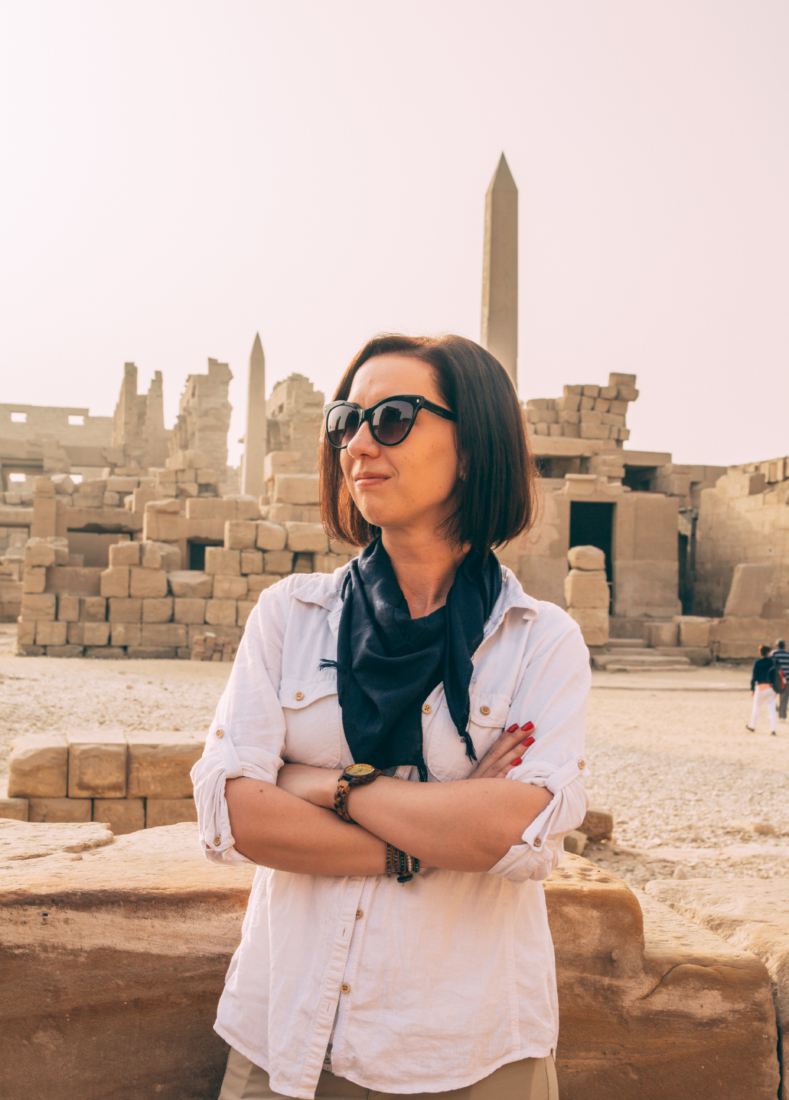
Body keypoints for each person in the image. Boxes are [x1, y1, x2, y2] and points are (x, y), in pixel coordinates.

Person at [192, 334, 591, 1100]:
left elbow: (509, 832)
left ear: (472, 447)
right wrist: (424, 843)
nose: (358, 443)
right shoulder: (290, 617)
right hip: (289, 1030)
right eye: (347, 420)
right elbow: (236, 813)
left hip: (464, 1046)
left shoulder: (538, 640)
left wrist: (324, 783)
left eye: (394, 418)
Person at [747, 644, 778, 735]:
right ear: (768, 652)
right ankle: (772, 729)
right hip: (771, 688)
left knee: (756, 707)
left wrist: (752, 688)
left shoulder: (757, 662)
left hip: (760, 688)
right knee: (772, 709)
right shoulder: (773, 662)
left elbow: (754, 677)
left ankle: (752, 726)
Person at [770, 639, 789, 721]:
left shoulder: (773, 653)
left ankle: (774, 712)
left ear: (776, 645)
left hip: (776, 679)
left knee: (772, 697)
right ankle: (782, 716)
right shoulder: (788, 654)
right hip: (787, 679)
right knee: (784, 698)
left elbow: (770, 665)